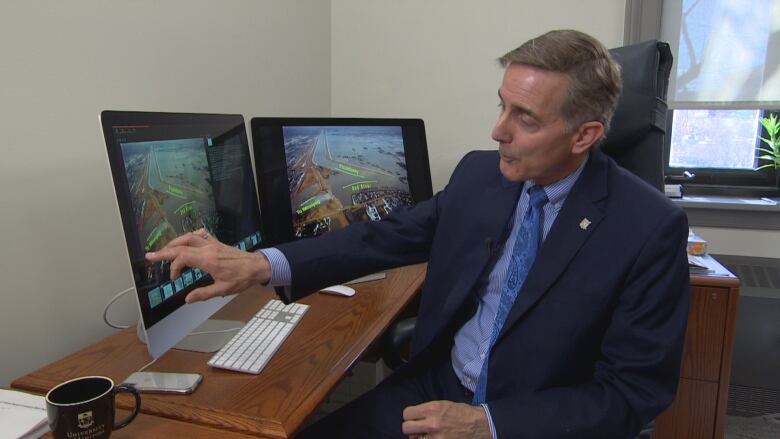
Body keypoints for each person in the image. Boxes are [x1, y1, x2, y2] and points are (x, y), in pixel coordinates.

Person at [147, 29, 690, 438]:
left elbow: (633, 392)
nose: (497, 130)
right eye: (501, 105)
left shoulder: (647, 228)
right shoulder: (481, 175)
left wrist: (487, 424)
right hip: (438, 386)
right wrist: (258, 265)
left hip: (526, 418)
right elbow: (380, 238)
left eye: (524, 117)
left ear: (585, 135)